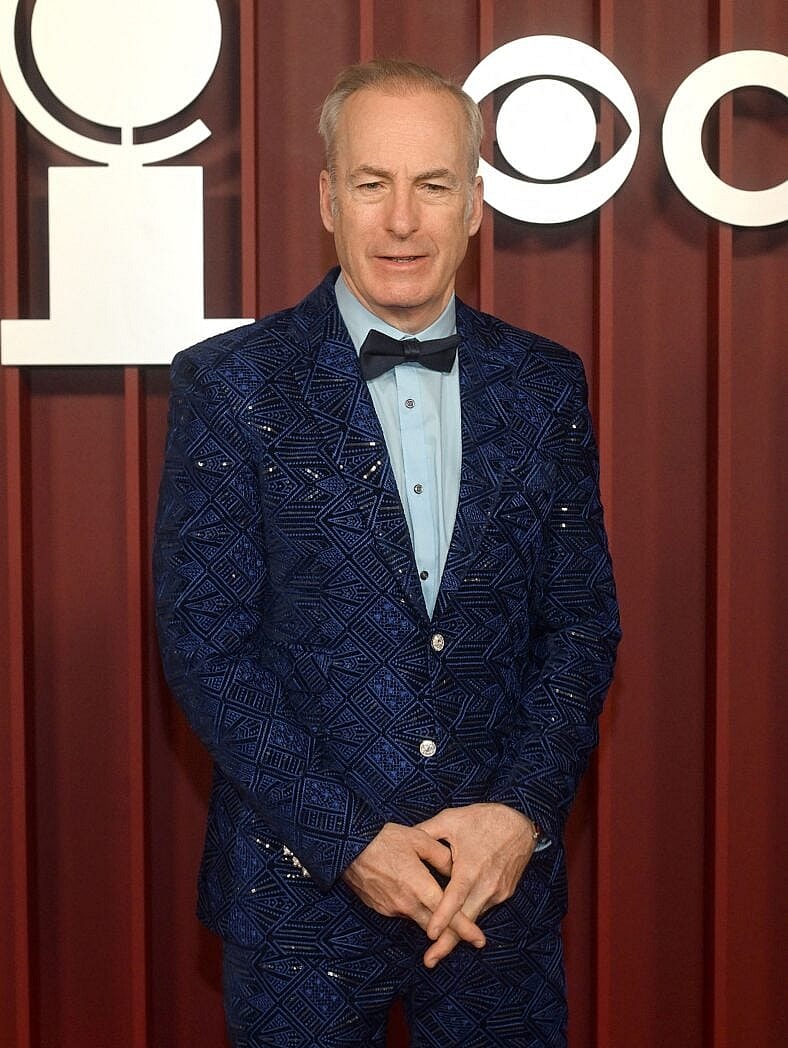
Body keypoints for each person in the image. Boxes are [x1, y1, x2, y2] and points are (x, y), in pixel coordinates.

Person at [154, 58, 620, 1048]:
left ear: (474, 207)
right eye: (372, 184)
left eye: (432, 185)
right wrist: (347, 841)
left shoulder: (545, 386)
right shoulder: (230, 386)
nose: (400, 219)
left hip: (494, 902)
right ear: (328, 199)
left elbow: (576, 624)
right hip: (298, 907)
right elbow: (206, 646)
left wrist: (519, 813)